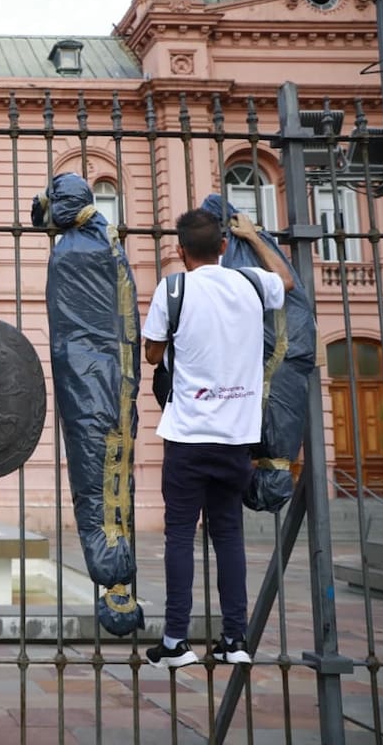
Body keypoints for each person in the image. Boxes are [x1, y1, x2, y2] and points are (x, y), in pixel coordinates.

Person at [142, 210, 292, 668]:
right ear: (224, 246)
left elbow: (151, 353)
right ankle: (235, 641)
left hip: (187, 437)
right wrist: (256, 236)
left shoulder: (173, 289)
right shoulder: (250, 283)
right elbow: (286, 281)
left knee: (180, 537)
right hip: (236, 439)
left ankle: (174, 642)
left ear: (181, 251)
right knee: (228, 537)